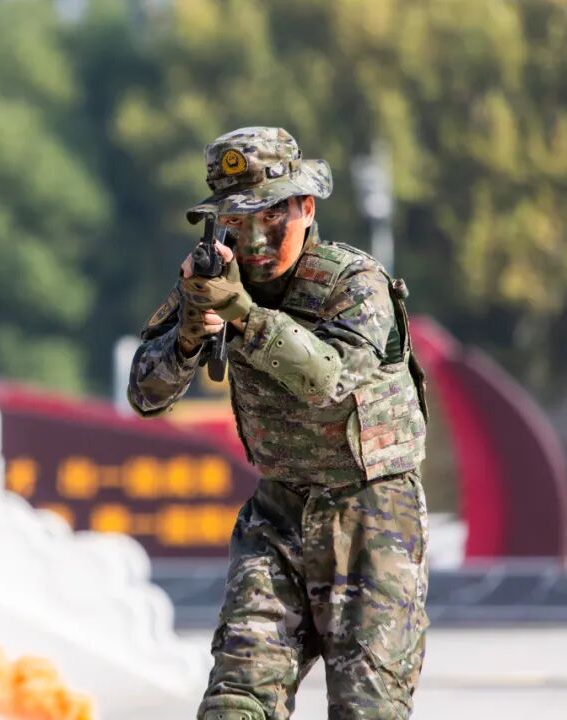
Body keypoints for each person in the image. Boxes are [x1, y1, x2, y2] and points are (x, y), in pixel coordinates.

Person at [128, 127, 429, 720]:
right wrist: (188, 333)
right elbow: (146, 394)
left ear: (306, 208)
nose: (256, 239)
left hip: (370, 514)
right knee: (236, 700)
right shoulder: (217, 280)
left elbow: (329, 379)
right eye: (237, 222)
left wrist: (241, 312)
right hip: (278, 513)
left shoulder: (354, 284)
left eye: (271, 217)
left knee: (367, 707)